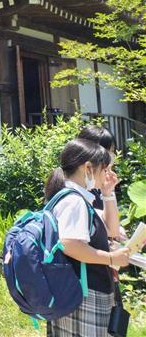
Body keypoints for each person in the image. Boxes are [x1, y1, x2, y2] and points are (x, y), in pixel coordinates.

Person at [44, 138, 131, 336]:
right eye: (104, 169)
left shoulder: (69, 197)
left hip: (73, 292)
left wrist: (108, 193)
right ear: (88, 168)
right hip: (84, 295)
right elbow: (70, 244)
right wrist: (111, 258)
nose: (107, 174)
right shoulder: (74, 201)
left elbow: (112, 229)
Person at [77, 124, 125, 241]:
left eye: (112, 151)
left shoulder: (104, 184)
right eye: (105, 151)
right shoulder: (75, 191)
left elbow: (112, 229)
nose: (110, 157)